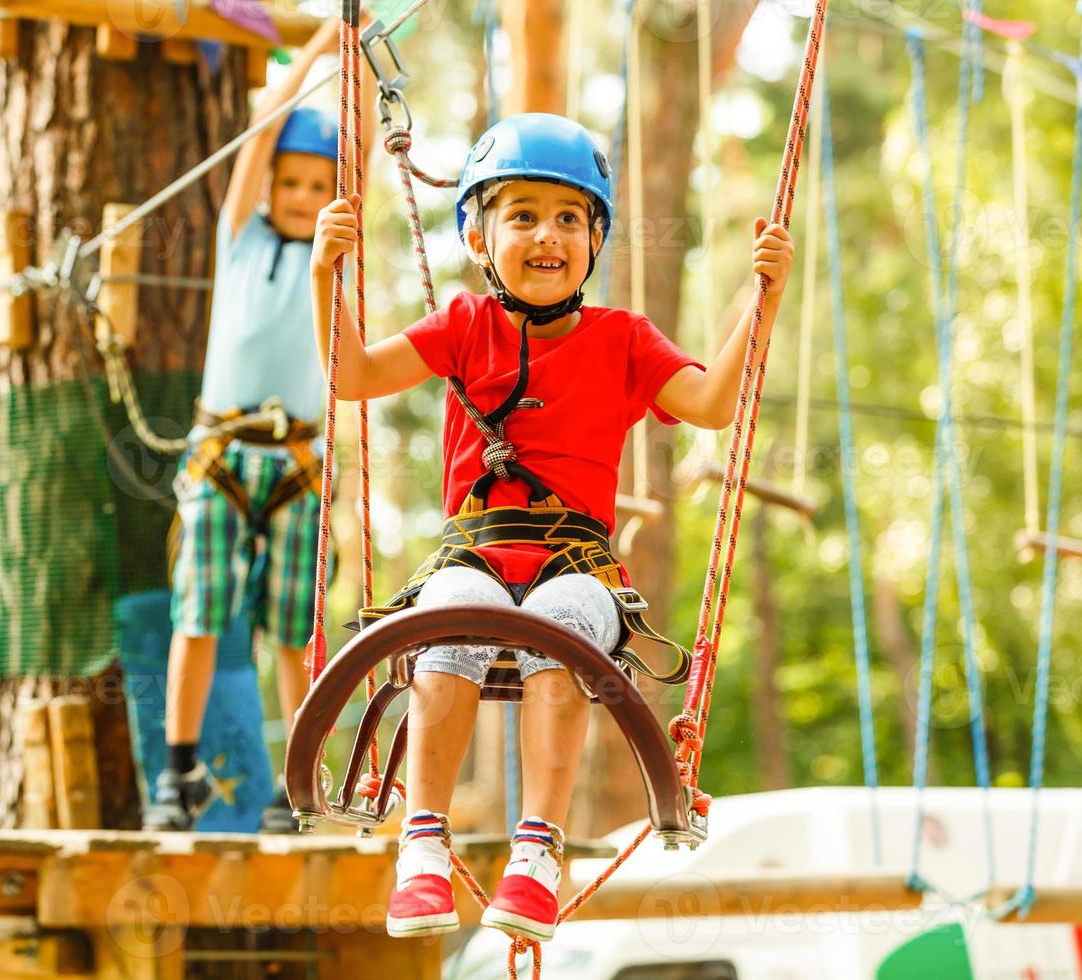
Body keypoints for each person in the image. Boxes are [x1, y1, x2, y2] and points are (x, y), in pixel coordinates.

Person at [311, 112, 794, 941]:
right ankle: (422, 842)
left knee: (565, 623)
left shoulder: (622, 340)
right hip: (477, 552)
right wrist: (327, 272)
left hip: (576, 565)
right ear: (477, 236)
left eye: (570, 218)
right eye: (523, 215)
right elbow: (352, 375)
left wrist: (761, 297)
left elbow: (713, 404)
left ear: (594, 242)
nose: (548, 235)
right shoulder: (464, 326)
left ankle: (539, 847)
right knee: (452, 607)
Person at [145, 18, 374, 833]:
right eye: (293, 185)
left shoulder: (335, 254)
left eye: (320, 188)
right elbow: (261, 133)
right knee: (200, 614)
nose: (307, 199)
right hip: (221, 456)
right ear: (271, 188)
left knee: (292, 631)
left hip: (297, 465)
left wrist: (360, 67)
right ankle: (178, 777)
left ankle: (299, 783)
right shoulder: (238, 239)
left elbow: (361, 166)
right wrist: (317, 51)